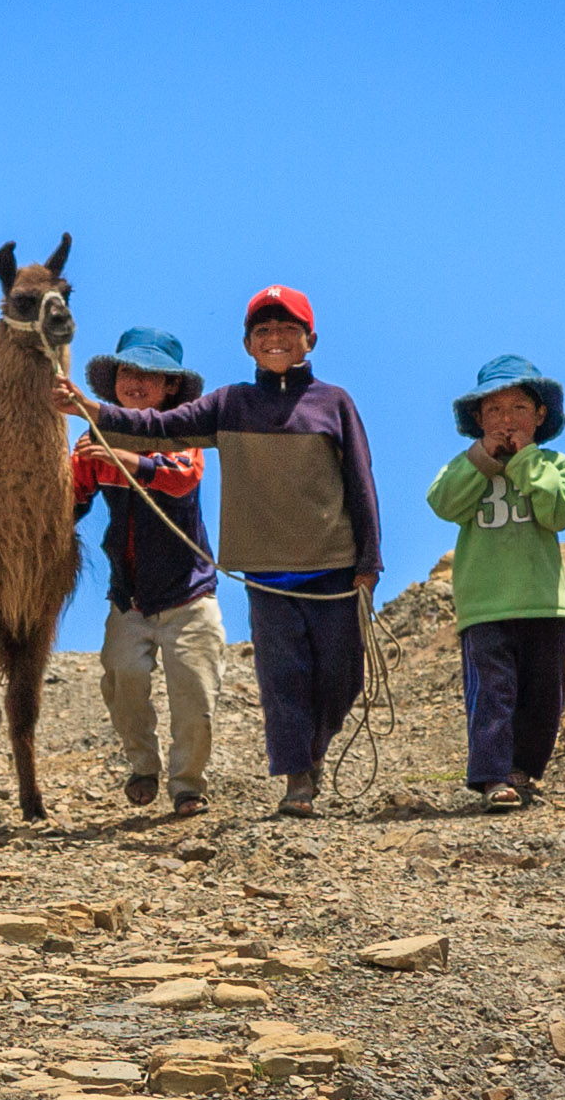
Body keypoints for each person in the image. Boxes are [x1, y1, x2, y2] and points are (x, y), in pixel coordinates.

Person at [54, 284, 381, 819]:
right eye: (264, 331)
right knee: (283, 680)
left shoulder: (334, 403)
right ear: (248, 343)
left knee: (343, 677)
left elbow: (360, 481)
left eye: (287, 330)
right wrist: (89, 411)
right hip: (264, 572)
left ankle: (311, 754)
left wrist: (369, 559)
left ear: (310, 339)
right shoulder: (230, 405)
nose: (275, 339)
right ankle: (297, 779)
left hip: (332, 566)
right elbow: (153, 430)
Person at [71, 329, 225, 817]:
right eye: (127, 372)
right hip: (130, 598)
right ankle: (143, 764)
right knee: (122, 679)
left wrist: (121, 463)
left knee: (195, 697)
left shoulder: (185, 433)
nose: (135, 383)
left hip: (189, 596)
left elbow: (182, 477)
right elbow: (71, 498)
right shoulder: (94, 437)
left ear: (171, 388)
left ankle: (187, 786)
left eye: (148, 375)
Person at [426, 355, 565, 810]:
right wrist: (483, 460)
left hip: (542, 605)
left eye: (517, 410)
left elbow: (559, 511)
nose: (505, 421)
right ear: (478, 419)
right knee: (492, 692)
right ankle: (493, 776)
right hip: (485, 607)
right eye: (493, 411)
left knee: (541, 697)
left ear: (540, 417)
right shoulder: (467, 466)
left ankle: (522, 770)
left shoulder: (554, 464)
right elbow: (443, 503)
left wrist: (525, 462)